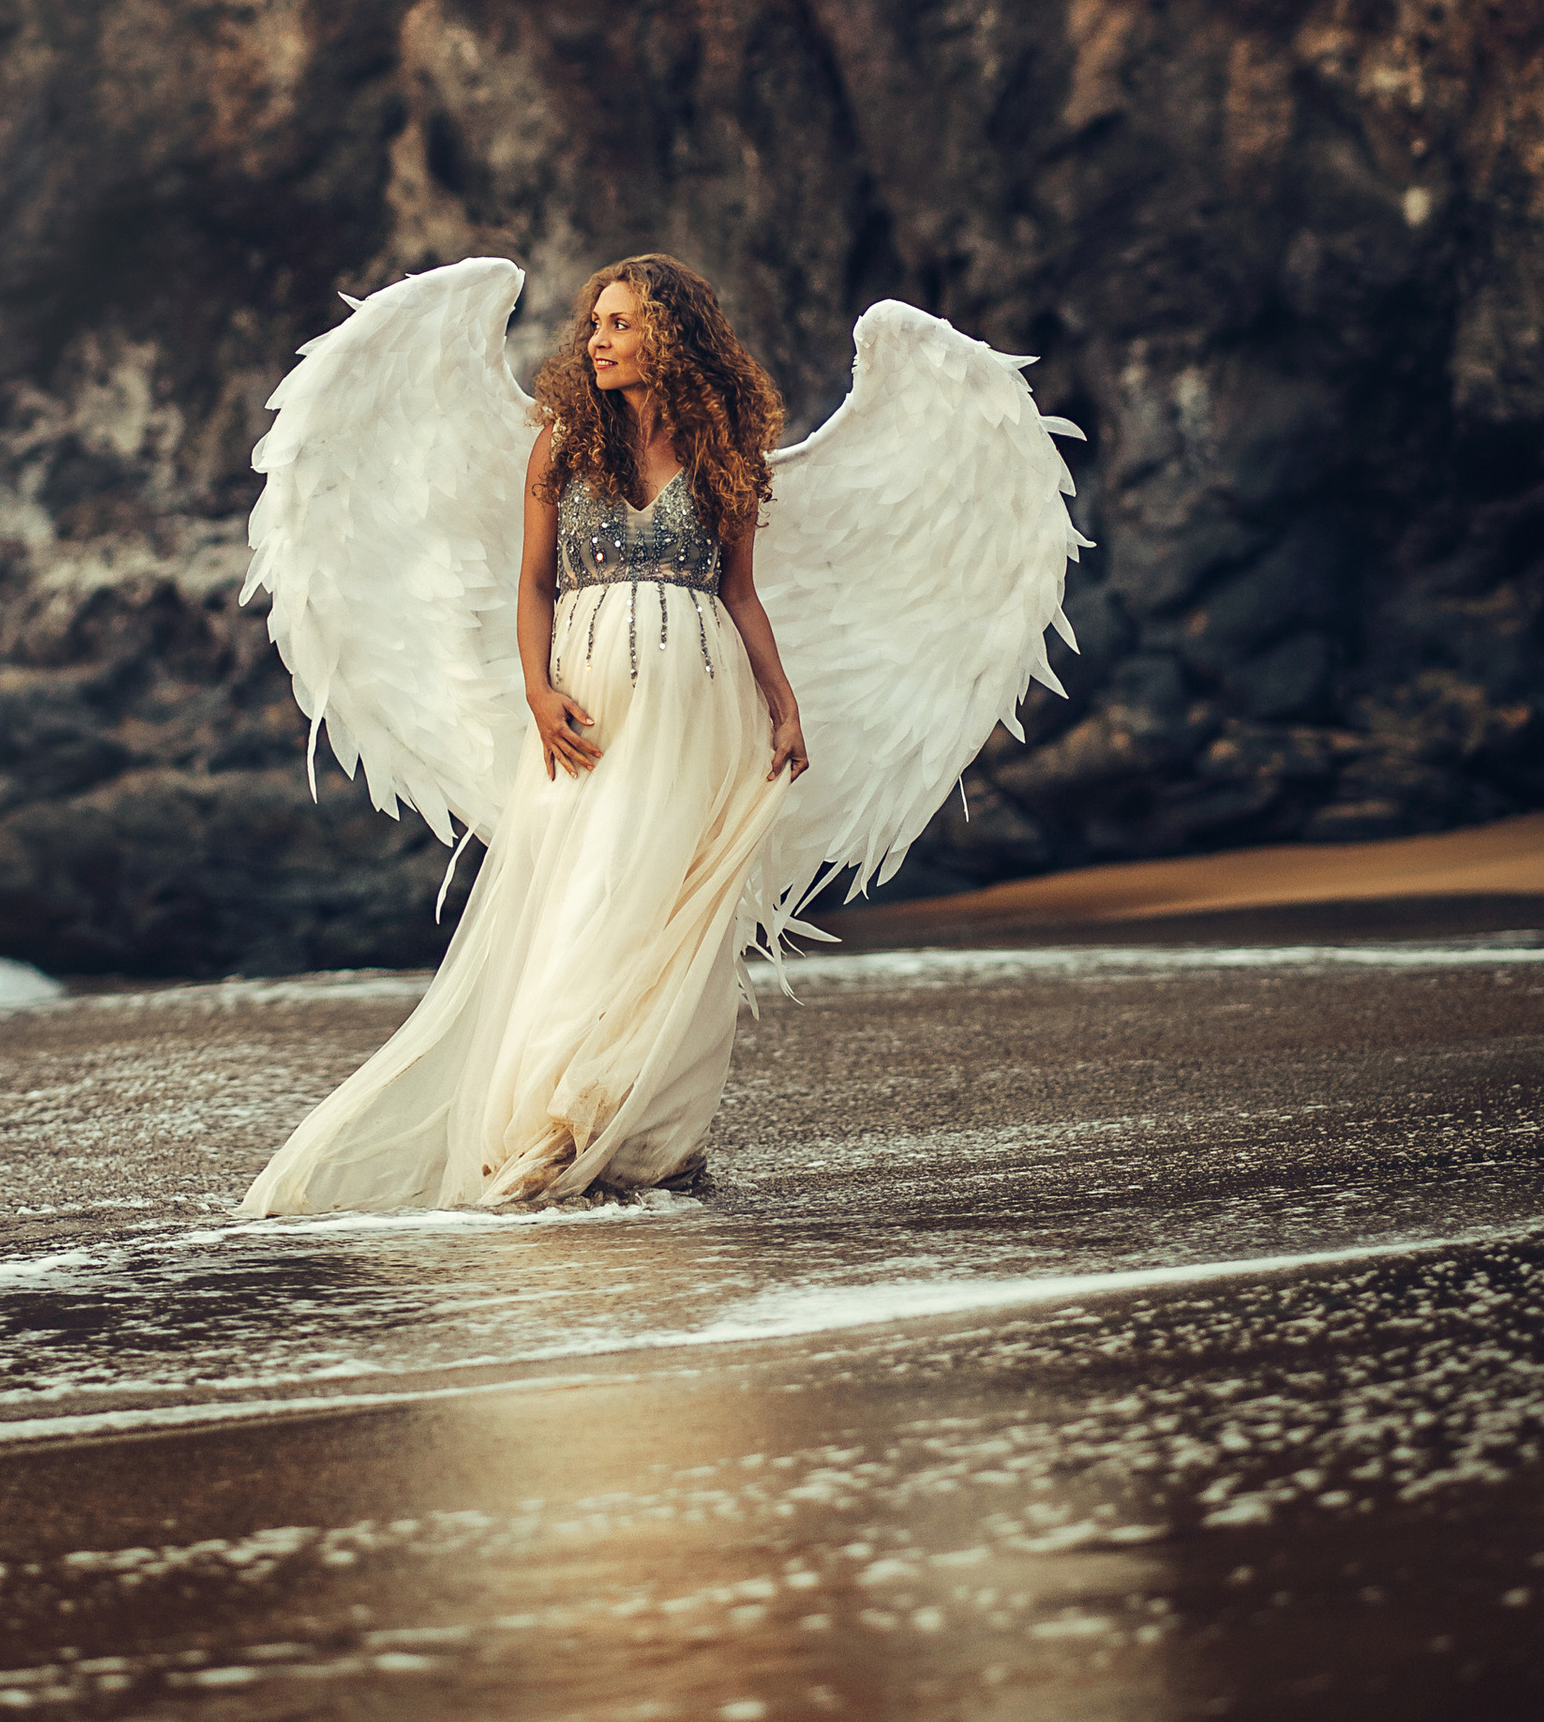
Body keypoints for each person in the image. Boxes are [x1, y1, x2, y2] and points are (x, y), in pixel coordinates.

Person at [234, 248, 1081, 1220]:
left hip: (700, 703)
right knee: (586, 902)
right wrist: (536, 696)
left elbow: (740, 595)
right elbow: (530, 586)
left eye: (618, 323)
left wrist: (785, 702)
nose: (594, 340)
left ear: (667, 336)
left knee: (674, 915)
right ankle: (546, 1124)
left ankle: (644, 1141)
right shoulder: (559, 444)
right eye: (594, 324)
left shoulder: (722, 449)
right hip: (587, 704)